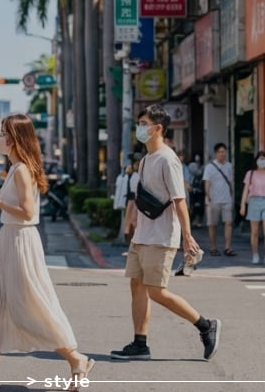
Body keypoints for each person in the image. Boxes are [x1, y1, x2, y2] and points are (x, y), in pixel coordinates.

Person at [0, 114, 92, 390]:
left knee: (30, 305)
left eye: (5, 133)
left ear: (16, 138)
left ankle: (75, 357)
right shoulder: (16, 168)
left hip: (20, 241)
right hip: (11, 239)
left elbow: (28, 212)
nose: (1, 138)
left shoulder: (21, 169)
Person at [112, 105, 219, 362]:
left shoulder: (168, 159)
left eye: (143, 122)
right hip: (143, 235)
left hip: (161, 236)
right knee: (136, 286)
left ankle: (205, 326)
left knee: (156, 291)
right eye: (139, 122)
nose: (139, 127)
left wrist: (187, 236)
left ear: (157, 128)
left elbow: (179, 199)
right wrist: (132, 226)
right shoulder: (147, 159)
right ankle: (140, 343)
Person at [239, 150, 265, 265]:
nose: (262, 161)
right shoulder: (250, 173)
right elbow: (246, 190)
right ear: (256, 160)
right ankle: (255, 254)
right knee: (255, 231)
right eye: (260, 158)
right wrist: (243, 205)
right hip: (253, 201)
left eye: (264, 158)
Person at [202, 143, 236, 256]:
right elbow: (207, 182)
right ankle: (213, 247)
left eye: (224, 152)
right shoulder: (209, 167)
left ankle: (227, 247)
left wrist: (232, 195)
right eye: (221, 152)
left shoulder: (229, 166)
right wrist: (208, 196)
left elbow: (231, 181)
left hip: (226, 199)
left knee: (229, 223)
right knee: (212, 225)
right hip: (213, 200)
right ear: (216, 153)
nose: (223, 154)